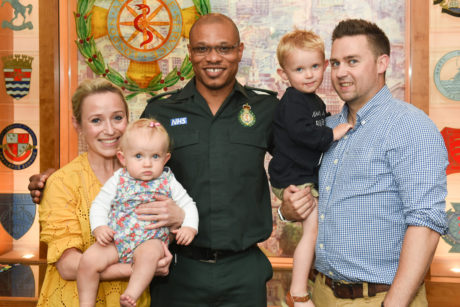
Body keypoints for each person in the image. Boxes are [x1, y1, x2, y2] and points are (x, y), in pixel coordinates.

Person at [280, 19, 448, 307]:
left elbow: (426, 222)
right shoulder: (325, 129)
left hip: (381, 297)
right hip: (319, 293)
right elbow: (305, 194)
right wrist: (287, 210)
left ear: (382, 62)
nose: (341, 72)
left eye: (352, 61)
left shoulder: (411, 126)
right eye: (335, 63)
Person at [36, 79, 172, 307]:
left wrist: (176, 216)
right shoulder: (62, 182)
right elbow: (68, 265)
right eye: (96, 120)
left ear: (128, 120)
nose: (110, 130)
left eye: (117, 118)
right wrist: (142, 268)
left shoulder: (150, 178)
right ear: (77, 124)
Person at [269, 30, 352, 307]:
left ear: (325, 65)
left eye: (315, 66)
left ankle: (310, 279)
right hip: (293, 178)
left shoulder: (313, 101)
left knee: (319, 227)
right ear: (284, 74)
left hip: (302, 173)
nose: (309, 75)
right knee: (312, 231)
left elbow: (314, 123)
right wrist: (333, 134)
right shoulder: (293, 100)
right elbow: (303, 134)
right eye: (299, 69)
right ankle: (298, 292)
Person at [77, 118, 199, 307]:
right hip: (117, 240)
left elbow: (189, 205)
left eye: (155, 157)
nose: (148, 164)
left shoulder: (168, 181)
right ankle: (86, 304)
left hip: (150, 241)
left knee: (149, 257)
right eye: (139, 156)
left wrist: (190, 227)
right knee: (88, 260)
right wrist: (99, 227)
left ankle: (131, 294)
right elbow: (99, 204)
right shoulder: (118, 179)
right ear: (123, 158)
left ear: (166, 159)